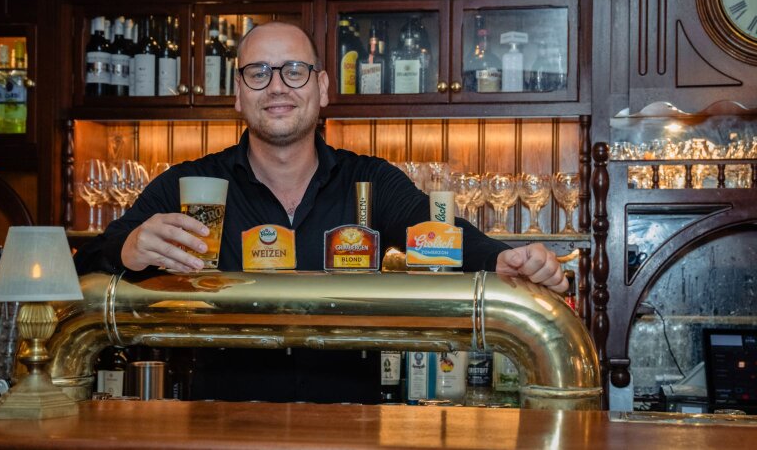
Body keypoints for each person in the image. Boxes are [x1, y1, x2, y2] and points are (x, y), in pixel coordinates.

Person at [75, 21, 567, 402]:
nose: (277, 86)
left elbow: (439, 233)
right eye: (258, 72)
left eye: (295, 70)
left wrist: (503, 259)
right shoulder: (191, 185)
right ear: (238, 94)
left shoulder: (368, 182)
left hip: (349, 425)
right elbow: (89, 259)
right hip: (222, 423)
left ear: (323, 88)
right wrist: (130, 246)